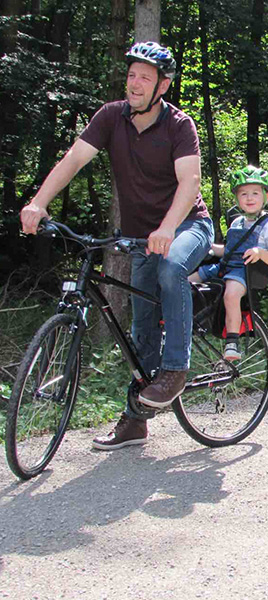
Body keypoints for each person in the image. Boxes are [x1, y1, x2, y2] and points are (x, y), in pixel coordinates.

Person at [20, 41, 213, 449]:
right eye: (131, 75)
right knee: (141, 329)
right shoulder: (111, 117)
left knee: (171, 268)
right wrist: (39, 202)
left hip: (188, 226)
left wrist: (167, 227)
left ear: (162, 85)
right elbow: (73, 160)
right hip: (142, 238)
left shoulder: (179, 126)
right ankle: (135, 421)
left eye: (145, 77)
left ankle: (176, 370)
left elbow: (190, 182)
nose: (135, 83)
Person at [189, 165, 268, 360]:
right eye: (243, 194)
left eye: (255, 193)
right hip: (223, 266)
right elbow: (228, 250)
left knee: (231, 294)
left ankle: (232, 342)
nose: (249, 198)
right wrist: (209, 247)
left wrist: (260, 253)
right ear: (237, 199)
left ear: (266, 197)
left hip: (243, 271)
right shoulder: (236, 222)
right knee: (186, 281)